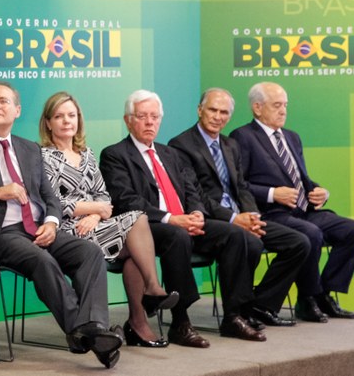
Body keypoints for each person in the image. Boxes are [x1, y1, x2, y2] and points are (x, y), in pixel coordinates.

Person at [0, 81, 123, 369]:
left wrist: (51, 222)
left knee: (89, 253)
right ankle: (90, 334)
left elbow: (49, 197)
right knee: (41, 260)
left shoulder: (29, 149)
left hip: (36, 228)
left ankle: (92, 328)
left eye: (3, 101)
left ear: (17, 110)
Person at [99, 89, 266, 348]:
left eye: (155, 117)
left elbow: (192, 190)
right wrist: (170, 219)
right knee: (176, 235)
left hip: (185, 221)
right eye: (142, 116)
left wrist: (197, 213)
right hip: (148, 227)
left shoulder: (170, 154)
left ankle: (233, 315)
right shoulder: (115, 154)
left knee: (235, 235)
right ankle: (181, 322)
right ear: (128, 120)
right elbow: (126, 200)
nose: (149, 122)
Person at [38, 91, 178, 348]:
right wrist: (95, 210)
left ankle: (142, 318)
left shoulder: (87, 154)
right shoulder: (42, 157)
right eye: (59, 116)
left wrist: (95, 213)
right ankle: (151, 294)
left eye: (72, 115)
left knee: (137, 229)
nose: (67, 121)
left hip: (94, 223)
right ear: (48, 123)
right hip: (69, 229)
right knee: (136, 224)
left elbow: (104, 196)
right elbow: (53, 203)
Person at [168, 88, 310, 327]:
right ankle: (237, 314)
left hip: (241, 216)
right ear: (199, 110)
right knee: (249, 241)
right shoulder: (181, 144)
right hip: (209, 220)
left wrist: (252, 216)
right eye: (212, 109)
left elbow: (242, 187)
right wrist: (235, 219)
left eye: (224, 112)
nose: (217, 116)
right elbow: (196, 194)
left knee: (299, 243)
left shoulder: (230, 144)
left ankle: (260, 305)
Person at [230, 81, 354, 322]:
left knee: (353, 230)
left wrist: (320, 191)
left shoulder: (292, 137)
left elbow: (301, 177)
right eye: (277, 105)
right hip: (271, 213)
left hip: (303, 210)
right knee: (310, 233)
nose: (283, 111)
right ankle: (308, 298)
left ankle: (324, 293)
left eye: (285, 106)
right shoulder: (243, 136)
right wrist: (272, 193)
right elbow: (239, 184)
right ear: (257, 108)